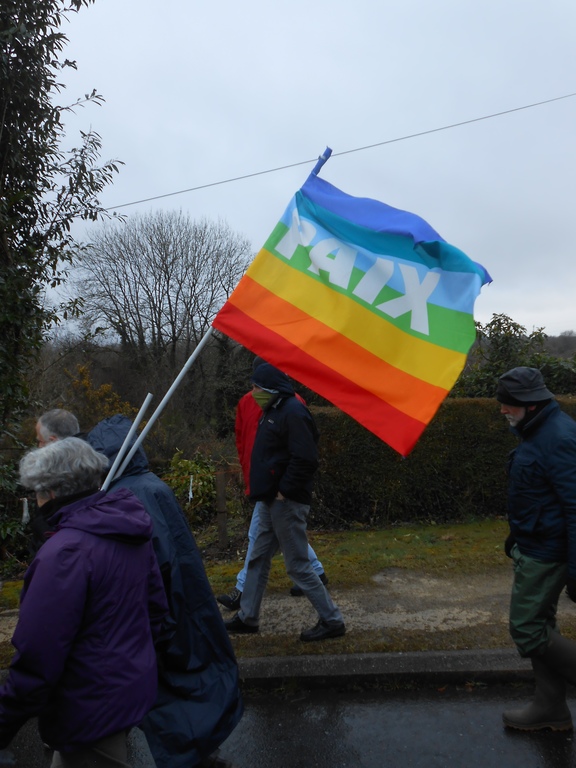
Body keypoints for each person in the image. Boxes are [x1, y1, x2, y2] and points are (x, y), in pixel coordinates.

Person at [0, 438, 168, 767]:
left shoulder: (65, 552)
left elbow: (38, 657)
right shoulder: (127, 528)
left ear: (49, 493)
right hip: (122, 691)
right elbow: (156, 612)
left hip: (88, 706)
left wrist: (4, 722)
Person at [87, 415, 243, 768]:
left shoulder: (122, 497)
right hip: (184, 605)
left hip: (159, 617)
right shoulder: (152, 486)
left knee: (164, 699)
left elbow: (153, 565)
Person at [224, 362, 346, 642]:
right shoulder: (273, 410)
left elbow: (306, 458)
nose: (252, 391)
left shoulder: (292, 411)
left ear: (268, 388)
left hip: (286, 503)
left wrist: (284, 491)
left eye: (255, 386)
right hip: (270, 500)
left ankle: (332, 620)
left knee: (298, 564)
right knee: (257, 557)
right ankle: (247, 617)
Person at [496, 367, 576, 731]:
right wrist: (518, 536)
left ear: (529, 405)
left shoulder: (557, 437)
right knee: (541, 623)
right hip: (534, 545)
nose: (502, 410)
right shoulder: (536, 431)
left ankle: (551, 705)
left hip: (549, 553)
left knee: (527, 629)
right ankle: (551, 708)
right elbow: (540, 493)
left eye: (508, 404)